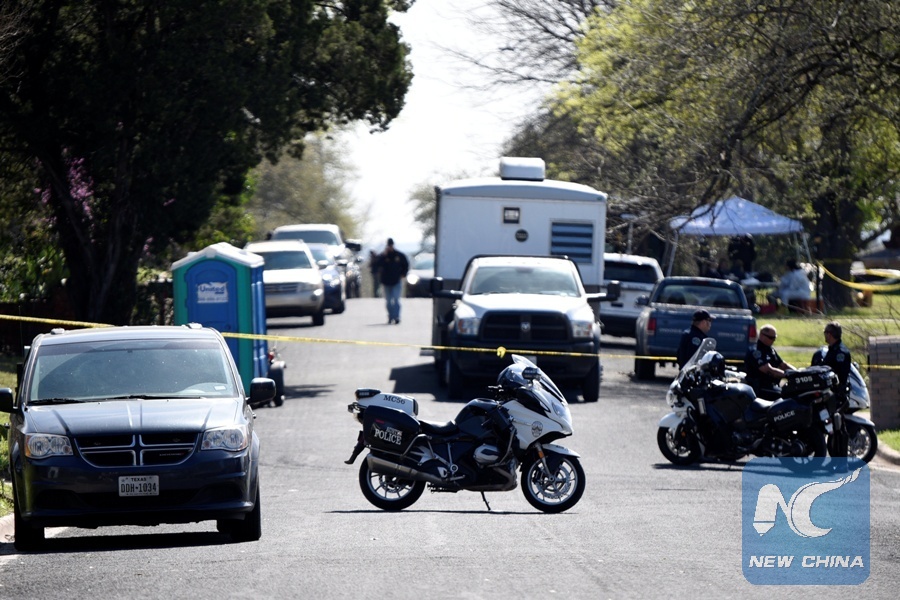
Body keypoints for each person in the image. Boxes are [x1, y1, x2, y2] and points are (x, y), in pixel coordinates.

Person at [813, 321, 852, 459]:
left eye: (825, 332)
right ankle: (836, 458)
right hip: (830, 395)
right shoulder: (832, 349)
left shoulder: (840, 352)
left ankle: (841, 461)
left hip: (837, 395)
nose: (824, 335)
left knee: (838, 429)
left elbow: (838, 376)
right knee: (834, 429)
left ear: (830, 334)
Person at [744, 324, 795, 400]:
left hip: (773, 384)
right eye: (771, 338)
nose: (773, 340)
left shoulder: (770, 350)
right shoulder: (755, 351)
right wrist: (789, 375)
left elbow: (783, 365)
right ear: (762, 335)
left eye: (775, 338)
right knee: (786, 396)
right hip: (760, 387)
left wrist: (798, 372)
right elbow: (769, 369)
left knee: (794, 390)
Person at [376, 238, 409, 324]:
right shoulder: (383, 256)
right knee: (389, 301)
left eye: (391, 245)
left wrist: (403, 274)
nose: (390, 247)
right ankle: (391, 317)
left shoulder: (399, 255)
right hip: (386, 282)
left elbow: (405, 265)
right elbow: (377, 265)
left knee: (396, 299)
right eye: (389, 246)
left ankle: (397, 317)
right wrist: (384, 256)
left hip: (396, 281)